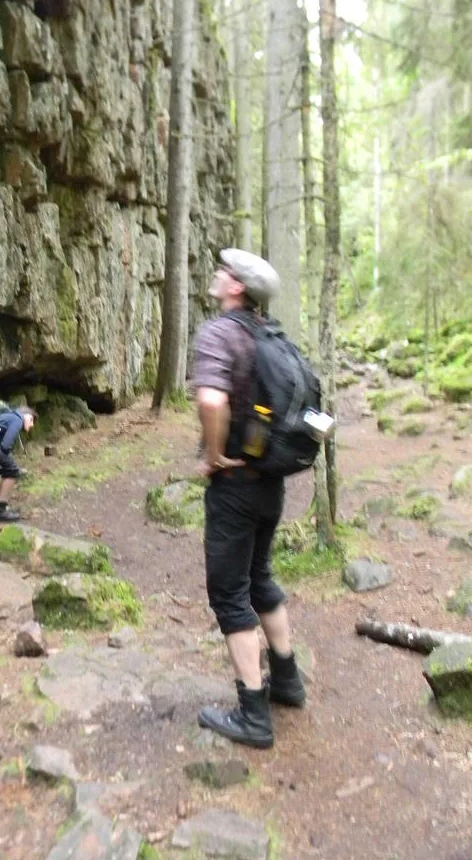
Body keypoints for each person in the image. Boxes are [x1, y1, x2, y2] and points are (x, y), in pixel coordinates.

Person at [193, 248, 306, 749]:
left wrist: (216, 456)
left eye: (223, 271)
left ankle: (253, 715)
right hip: (271, 482)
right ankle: (288, 681)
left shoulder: (220, 333)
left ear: (236, 287)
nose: (217, 274)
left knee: (229, 593)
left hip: (235, 485)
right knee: (260, 577)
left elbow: (211, 399)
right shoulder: (269, 333)